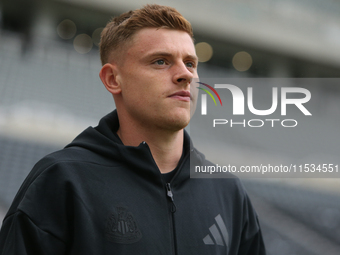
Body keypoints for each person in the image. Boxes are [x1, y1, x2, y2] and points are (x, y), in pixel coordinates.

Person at [0, 4, 266, 254]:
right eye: (161, 61)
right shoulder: (62, 181)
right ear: (113, 79)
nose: (184, 74)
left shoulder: (228, 192)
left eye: (191, 63)